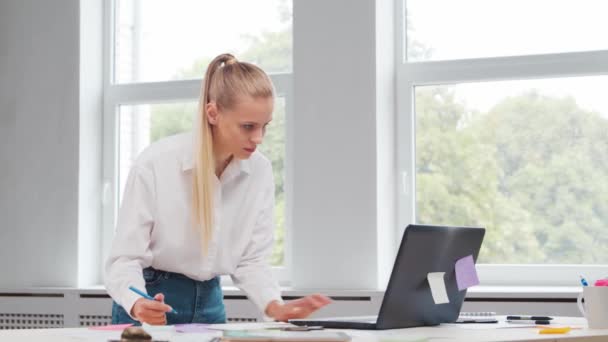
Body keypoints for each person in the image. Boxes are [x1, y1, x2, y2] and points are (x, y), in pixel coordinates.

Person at [105, 53, 331, 325]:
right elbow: (124, 259)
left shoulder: (259, 171)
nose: (258, 138)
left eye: (264, 126)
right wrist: (138, 302)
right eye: (248, 126)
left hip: (211, 303)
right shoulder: (154, 165)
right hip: (151, 303)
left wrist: (274, 306)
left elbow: (251, 261)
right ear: (213, 113)